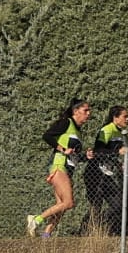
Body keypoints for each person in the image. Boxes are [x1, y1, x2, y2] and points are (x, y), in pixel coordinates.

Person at [29, 98, 91, 237]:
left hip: (68, 169)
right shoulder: (67, 123)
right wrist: (62, 149)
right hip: (59, 165)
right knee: (68, 203)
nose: (89, 113)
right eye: (85, 110)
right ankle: (36, 219)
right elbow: (47, 136)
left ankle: (46, 235)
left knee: (61, 206)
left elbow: (73, 155)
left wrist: (86, 156)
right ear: (76, 111)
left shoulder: (78, 131)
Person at [87, 105, 128, 232]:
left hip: (107, 174)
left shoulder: (120, 132)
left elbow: (112, 153)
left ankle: (101, 227)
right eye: (125, 116)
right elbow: (99, 149)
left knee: (118, 204)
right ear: (115, 118)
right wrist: (119, 150)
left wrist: (119, 164)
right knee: (96, 205)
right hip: (95, 172)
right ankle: (88, 232)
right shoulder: (107, 129)